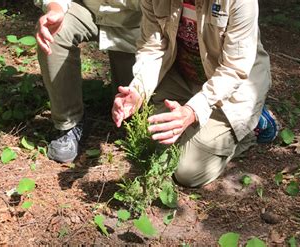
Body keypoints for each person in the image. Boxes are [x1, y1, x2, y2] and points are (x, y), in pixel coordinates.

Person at [112, 0, 278, 187]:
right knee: (155, 145)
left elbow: (235, 68)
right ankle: (204, 126)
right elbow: (153, 47)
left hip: (233, 87)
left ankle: (252, 126)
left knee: (188, 172)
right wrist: (139, 89)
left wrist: (192, 110)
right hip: (181, 78)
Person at [34, 0, 141, 163]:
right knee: (55, 30)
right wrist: (55, 8)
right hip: (88, 8)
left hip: (139, 21)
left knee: (133, 112)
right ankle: (69, 124)